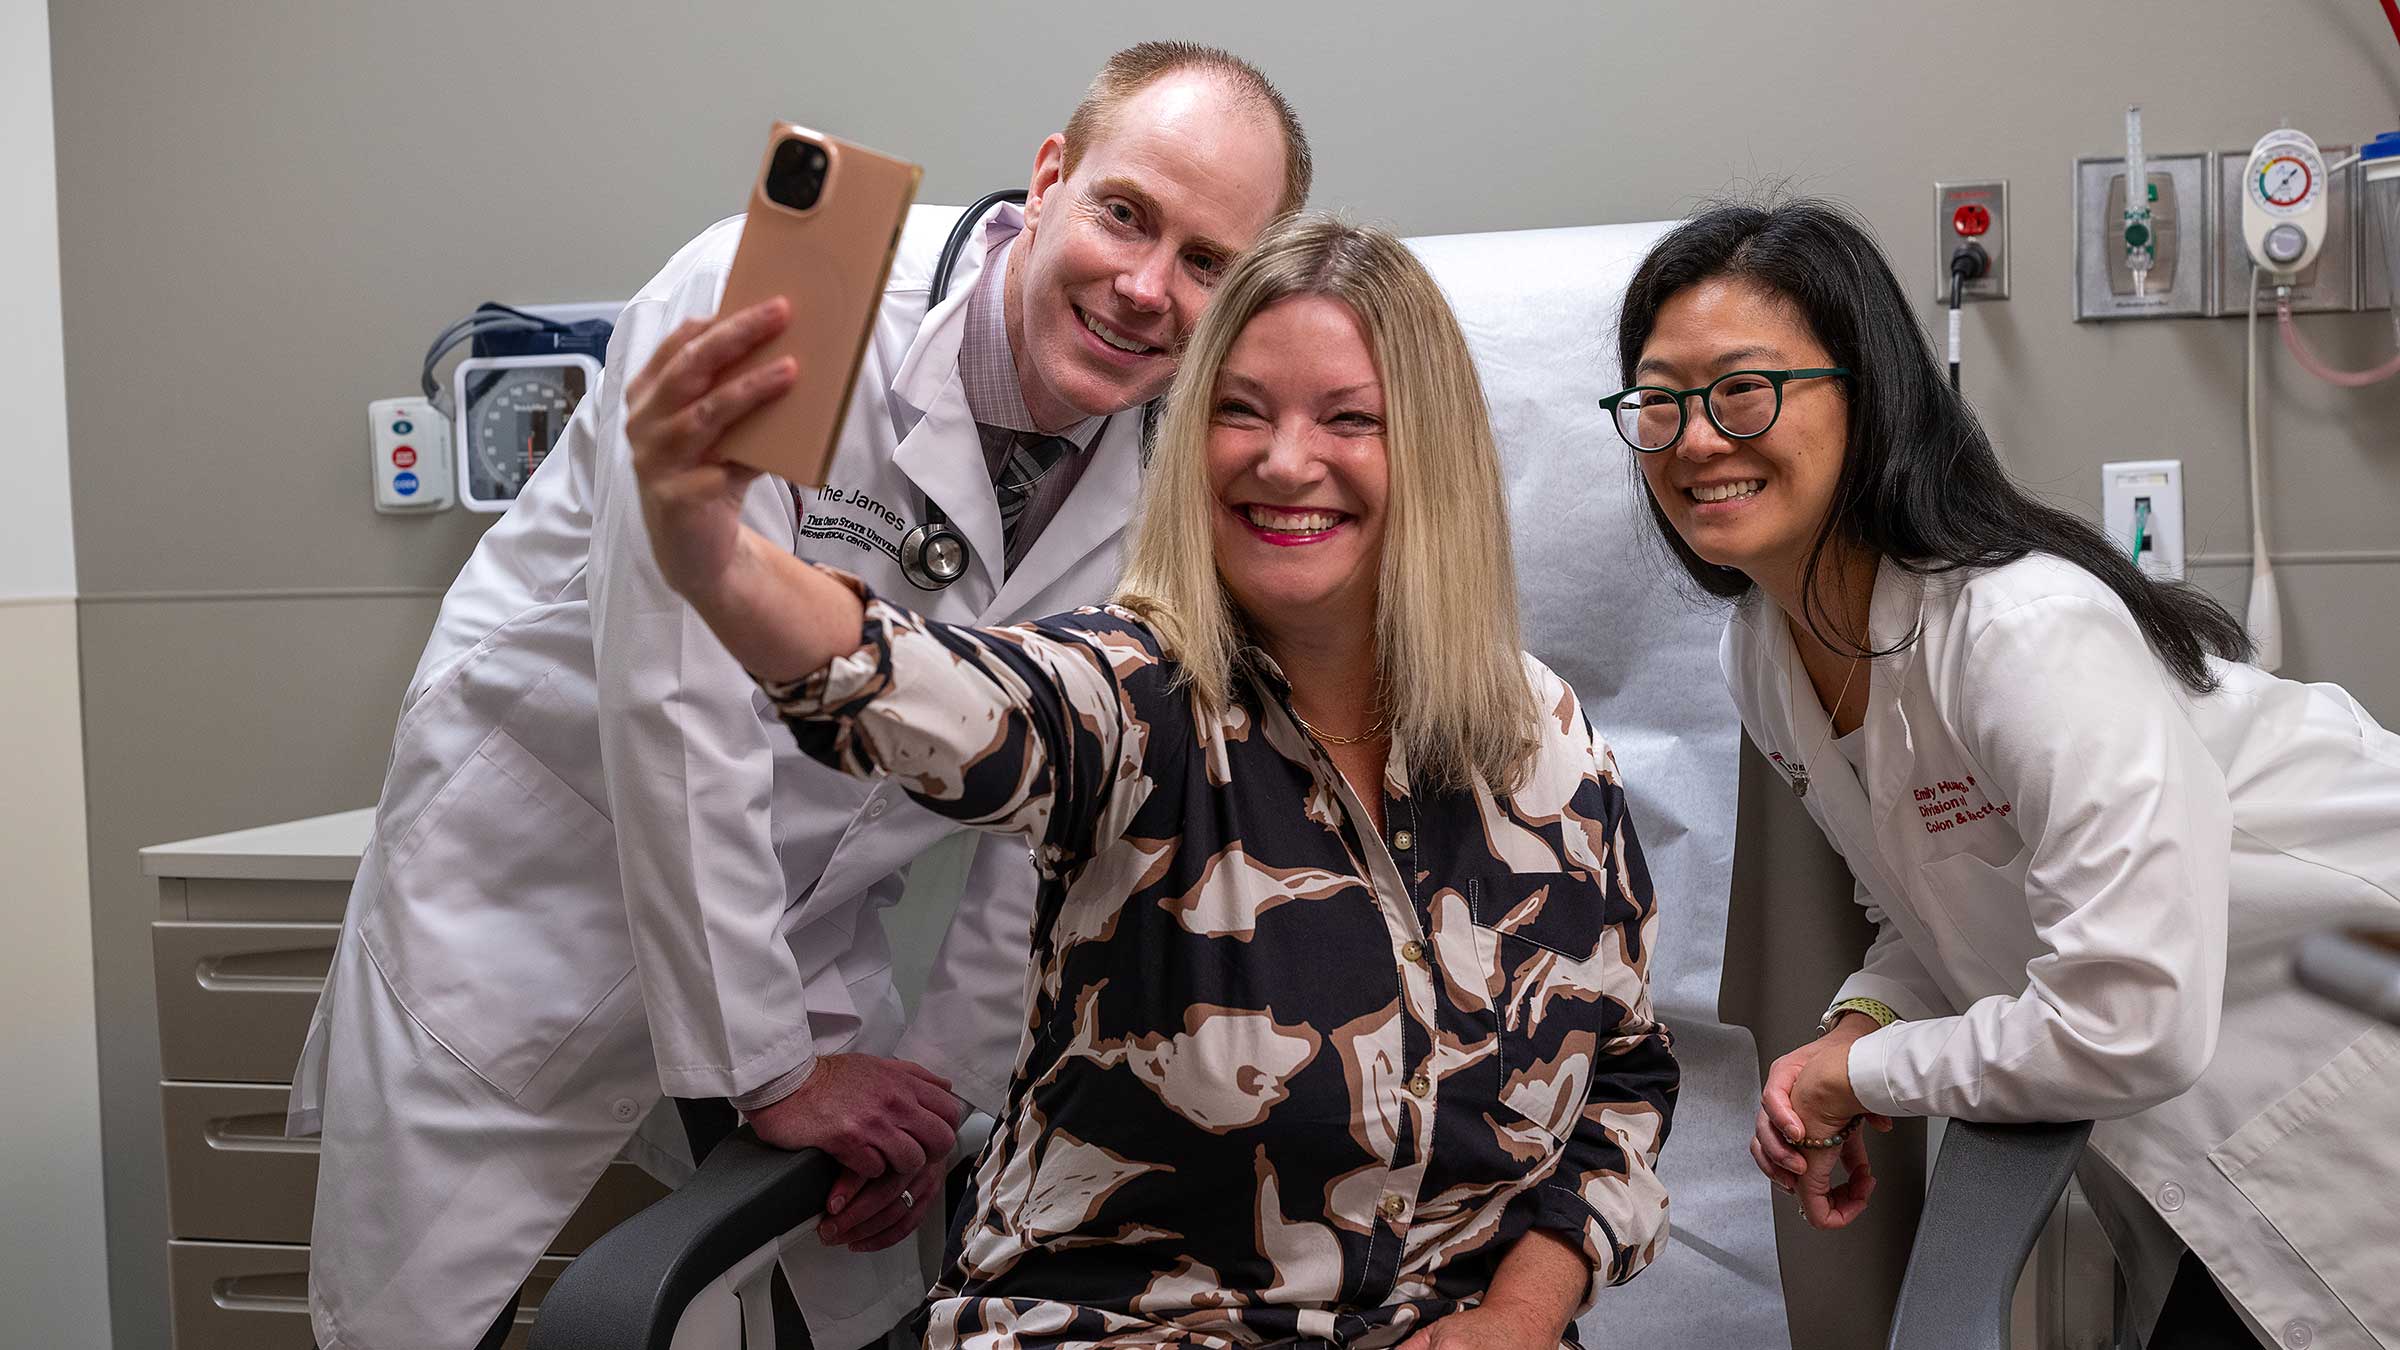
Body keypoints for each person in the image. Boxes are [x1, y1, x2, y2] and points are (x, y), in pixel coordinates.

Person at [287, 42, 1309, 1350]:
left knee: (866, 1307)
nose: (1146, 286)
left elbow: (1053, 831)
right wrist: (772, 1068)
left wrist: (939, 1101)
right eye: (1126, 213)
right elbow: (677, 694)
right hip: (539, 891)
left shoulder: (1163, 493)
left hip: (810, 921)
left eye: (1209, 264)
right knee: (418, 1323)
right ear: (1052, 177)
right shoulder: (786, 300)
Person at [631, 214, 1679, 1350]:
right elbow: (936, 695)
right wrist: (719, 560)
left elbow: (1622, 1079)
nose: (1284, 460)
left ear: (1434, 453)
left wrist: (1519, 1318)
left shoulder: (1541, 739)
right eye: (1239, 410)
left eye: (1348, 419)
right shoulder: (1134, 700)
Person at [1613, 198, 2400, 1349]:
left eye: (1743, 390)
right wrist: (1859, 1020)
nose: (1694, 441)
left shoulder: (2020, 628)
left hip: (2353, 1056)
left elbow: (2128, 1021)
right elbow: (1938, 902)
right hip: (2223, 1131)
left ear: (1868, 394)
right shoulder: (1767, 654)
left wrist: (1866, 1074)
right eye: (1659, 402)